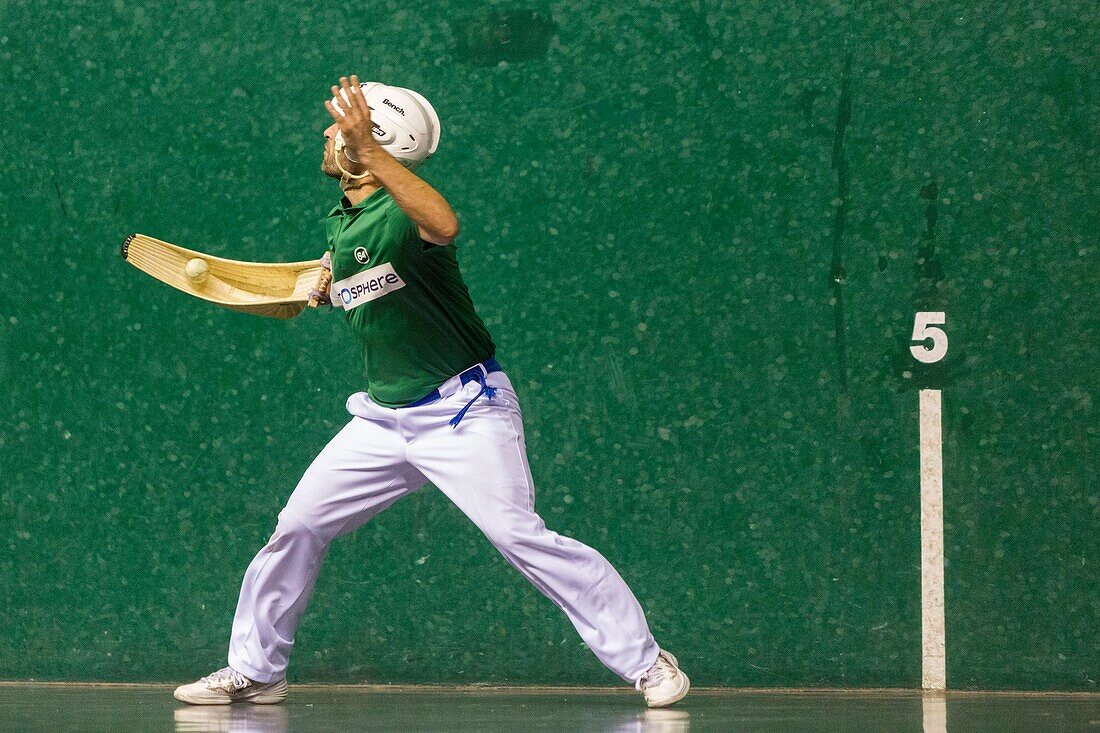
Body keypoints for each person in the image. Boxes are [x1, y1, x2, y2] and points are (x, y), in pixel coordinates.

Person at [173, 75, 689, 709]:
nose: (327, 133)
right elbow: (380, 285)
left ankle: (647, 662)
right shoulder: (349, 219)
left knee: (519, 535)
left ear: (377, 140)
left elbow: (443, 222)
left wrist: (372, 154)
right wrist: (328, 288)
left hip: (462, 409)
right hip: (384, 418)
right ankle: (256, 670)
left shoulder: (404, 211)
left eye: (342, 126)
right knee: (298, 525)